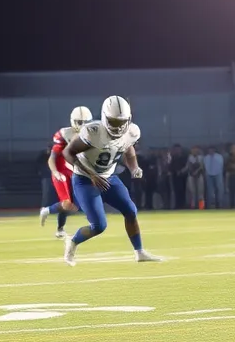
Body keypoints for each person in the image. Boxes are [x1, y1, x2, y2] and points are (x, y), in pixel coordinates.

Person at [61, 96, 159, 266]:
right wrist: (91, 174)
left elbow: (128, 149)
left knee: (130, 210)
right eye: (113, 121)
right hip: (85, 179)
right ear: (105, 117)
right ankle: (73, 242)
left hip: (108, 177)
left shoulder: (132, 132)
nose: (118, 126)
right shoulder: (93, 132)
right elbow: (68, 153)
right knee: (99, 225)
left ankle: (139, 252)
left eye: (121, 122)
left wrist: (134, 167)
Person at [39, 106, 92, 238]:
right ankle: (46, 211)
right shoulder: (64, 134)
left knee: (74, 204)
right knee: (68, 203)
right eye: (80, 122)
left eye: (86, 122)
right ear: (73, 121)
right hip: (61, 171)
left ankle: (60, 229)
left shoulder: (93, 134)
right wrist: (55, 172)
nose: (83, 126)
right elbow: (52, 158)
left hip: (72, 170)